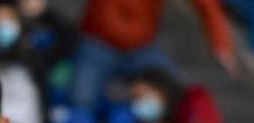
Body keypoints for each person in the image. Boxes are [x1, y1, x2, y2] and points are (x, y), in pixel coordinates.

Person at [71, 0, 237, 109]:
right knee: (81, 97)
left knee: (174, 88)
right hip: (97, 45)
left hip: (141, 49)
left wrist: (222, 45)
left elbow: (206, 4)